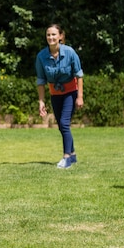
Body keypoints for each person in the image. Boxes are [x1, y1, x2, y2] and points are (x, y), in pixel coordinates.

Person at [35, 24, 84, 169]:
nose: (51, 37)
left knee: (64, 123)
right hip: (55, 94)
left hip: (70, 92)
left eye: (54, 34)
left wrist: (79, 96)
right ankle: (73, 154)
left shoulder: (70, 52)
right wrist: (41, 101)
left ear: (61, 36)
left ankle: (66, 157)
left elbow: (79, 75)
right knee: (63, 126)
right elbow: (41, 81)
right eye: (48, 35)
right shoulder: (41, 56)